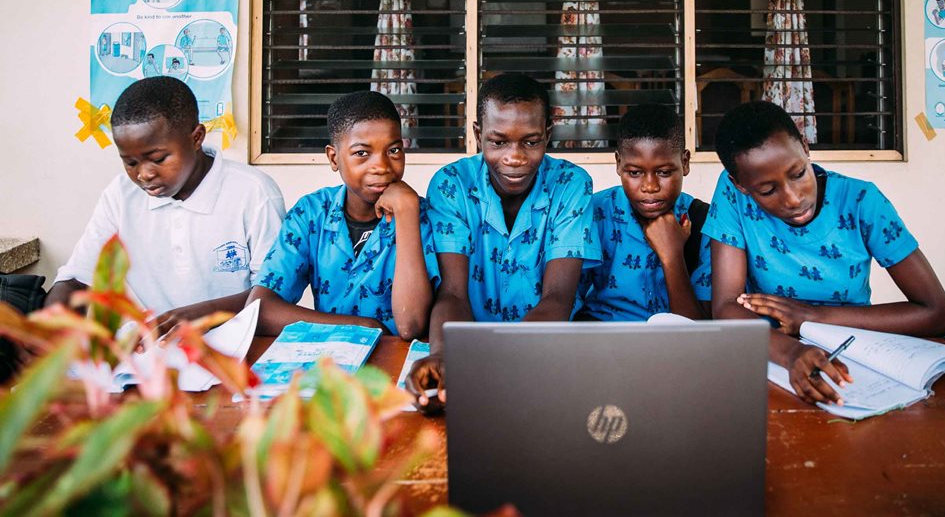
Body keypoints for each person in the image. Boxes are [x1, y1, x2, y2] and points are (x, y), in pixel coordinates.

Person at [704, 101, 945, 407]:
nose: (794, 198)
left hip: (852, 355)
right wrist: (791, 352)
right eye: (768, 191)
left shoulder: (861, 201)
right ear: (740, 185)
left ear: (805, 146)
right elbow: (726, 306)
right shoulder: (732, 196)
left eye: (798, 174)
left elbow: (938, 313)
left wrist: (812, 318)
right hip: (770, 357)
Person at [405, 74, 600, 412]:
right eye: (498, 142)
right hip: (471, 346)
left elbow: (558, 298)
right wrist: (443, 357)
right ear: (479, 134)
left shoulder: (571, 185)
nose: (515, 157)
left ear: (548, 135)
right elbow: (453, 292)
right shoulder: (452, 185)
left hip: (546, 352)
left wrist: (489, 365)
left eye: (531, 141)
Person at [46, 77, 285, 328]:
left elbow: (272, 295)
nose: (144, 174)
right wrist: (48, 325)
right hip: (149, 348)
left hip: (238, 345)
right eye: (130, 162)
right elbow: (77, 279)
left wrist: (199, 316)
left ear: (196, 138)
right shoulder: (120, 195)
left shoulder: (254, 192)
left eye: (158, 159)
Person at [246, 91, 439, 339]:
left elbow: (410, 325)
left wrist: (407, 213)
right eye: (362, 153)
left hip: (397, 366)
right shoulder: (312, 214)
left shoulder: (423, 217)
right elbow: (261, 310)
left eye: (393, 150)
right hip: (332, 365)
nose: (381, 166)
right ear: (334, 157)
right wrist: (363, 327)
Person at [577, 104, 711, 321]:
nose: (650, 186)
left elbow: (697, 333)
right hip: (604, 343)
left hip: (674, 348)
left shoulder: (704, 221)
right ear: (619, 163)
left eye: (664, 172)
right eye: (635, 172)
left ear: (684, 162)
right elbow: (568, 305)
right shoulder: (593, 213)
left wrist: (672, 256)